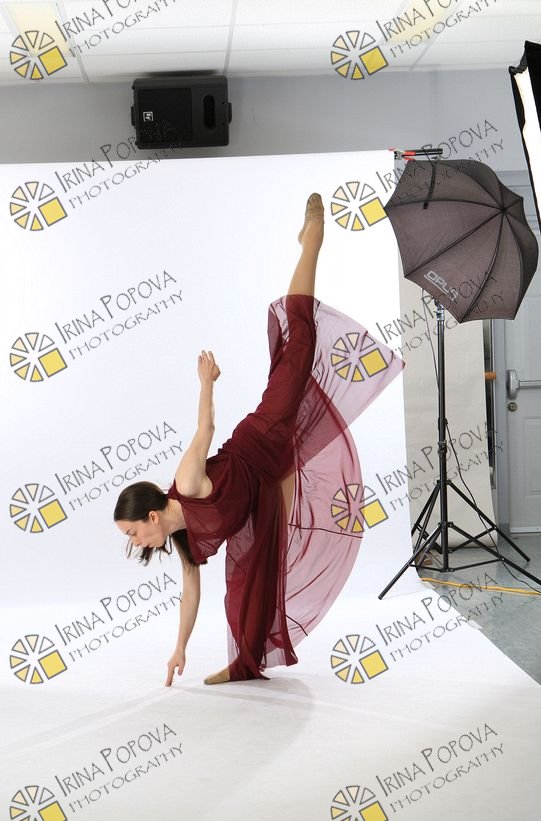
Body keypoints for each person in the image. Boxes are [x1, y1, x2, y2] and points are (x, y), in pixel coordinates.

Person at [114, 193, 402, 686]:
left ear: (152, 516)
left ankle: (311, 242)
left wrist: (206, 382)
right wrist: (179, 648)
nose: (136, 543)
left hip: (263, 438)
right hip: (266, 488)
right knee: (247, 585)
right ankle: (245, 663)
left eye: (132, 533)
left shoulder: (186, 482)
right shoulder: (184, 540)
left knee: (299, 348)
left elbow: (205, 431)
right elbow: (190, 594)